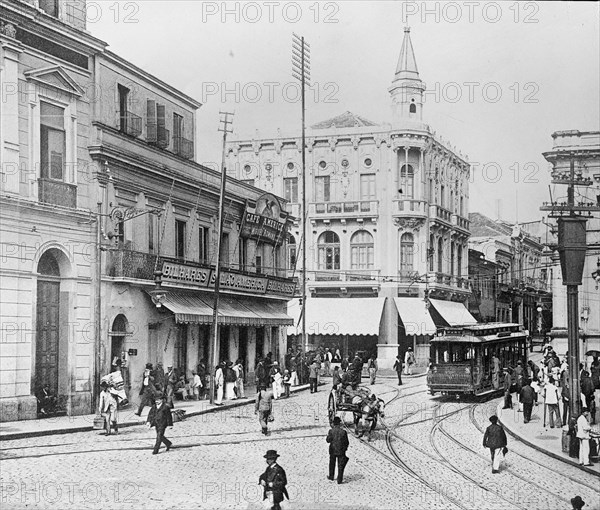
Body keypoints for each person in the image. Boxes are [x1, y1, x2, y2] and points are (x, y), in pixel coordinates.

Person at [326, 416, 349, 484]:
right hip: (341, 451)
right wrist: (344, 449)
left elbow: (328, 440)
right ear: (339, 423)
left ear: (333, 423)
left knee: (332, 464)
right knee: (340, 465)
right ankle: (339, 479)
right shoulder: (343, 432)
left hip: (332, 450)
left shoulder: (331, 431)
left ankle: (331, 476)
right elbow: (347, 442)